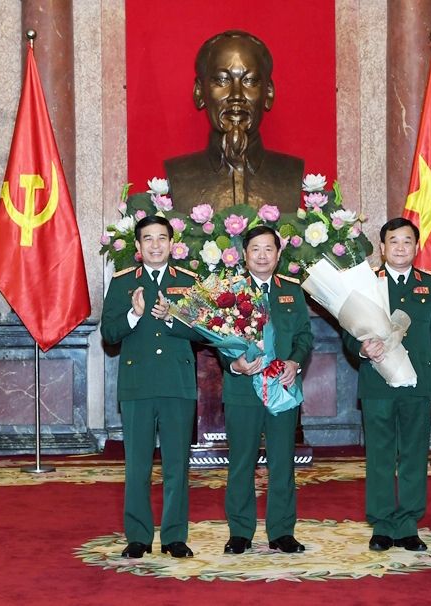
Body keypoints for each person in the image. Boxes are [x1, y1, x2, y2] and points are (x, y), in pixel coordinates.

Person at [343, 217, 431, 552]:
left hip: (419, 382)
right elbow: (349, 333)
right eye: (394, 241)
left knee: (414, 455)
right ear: (382, 247)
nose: (400, 247)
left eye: (407, 241)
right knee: (380, 454)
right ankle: (382, 525)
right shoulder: (367, 284)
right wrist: (361, 348)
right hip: (377, 383)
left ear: (416, 247)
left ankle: (407, 524)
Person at [101, 216, 202, 559]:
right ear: (138, 246)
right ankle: (138, 536)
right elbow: (108, 333)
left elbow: (205, 331)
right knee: (137, 466)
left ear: (172, 244)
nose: (155, 245)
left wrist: (172, 318)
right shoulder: (122, 283)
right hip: (137, 385)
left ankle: (174, 536)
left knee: (177, 465)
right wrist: (133, 315)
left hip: (177, 384)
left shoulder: (188, 281)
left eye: (162, 238)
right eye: (148, 239)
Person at [219, 225, 313, 555]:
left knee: (283, 462)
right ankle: (240, 532)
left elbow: (304, 336)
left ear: (278, 254)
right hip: (243, 389)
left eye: (268, 249)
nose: (262, 255)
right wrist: (235, 364)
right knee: (241, 462)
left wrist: (295, 362)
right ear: (244, 254)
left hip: (282, 388)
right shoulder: (230, 292)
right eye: (255, 249)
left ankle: (282, 531)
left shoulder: (292, 291)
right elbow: (218, 338)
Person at [164, 30, 304, 213]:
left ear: (268, 93)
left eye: (249, 80)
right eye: (222, 80)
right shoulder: (180, 174)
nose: (236, 95)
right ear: (199, 93)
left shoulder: (291, 173)